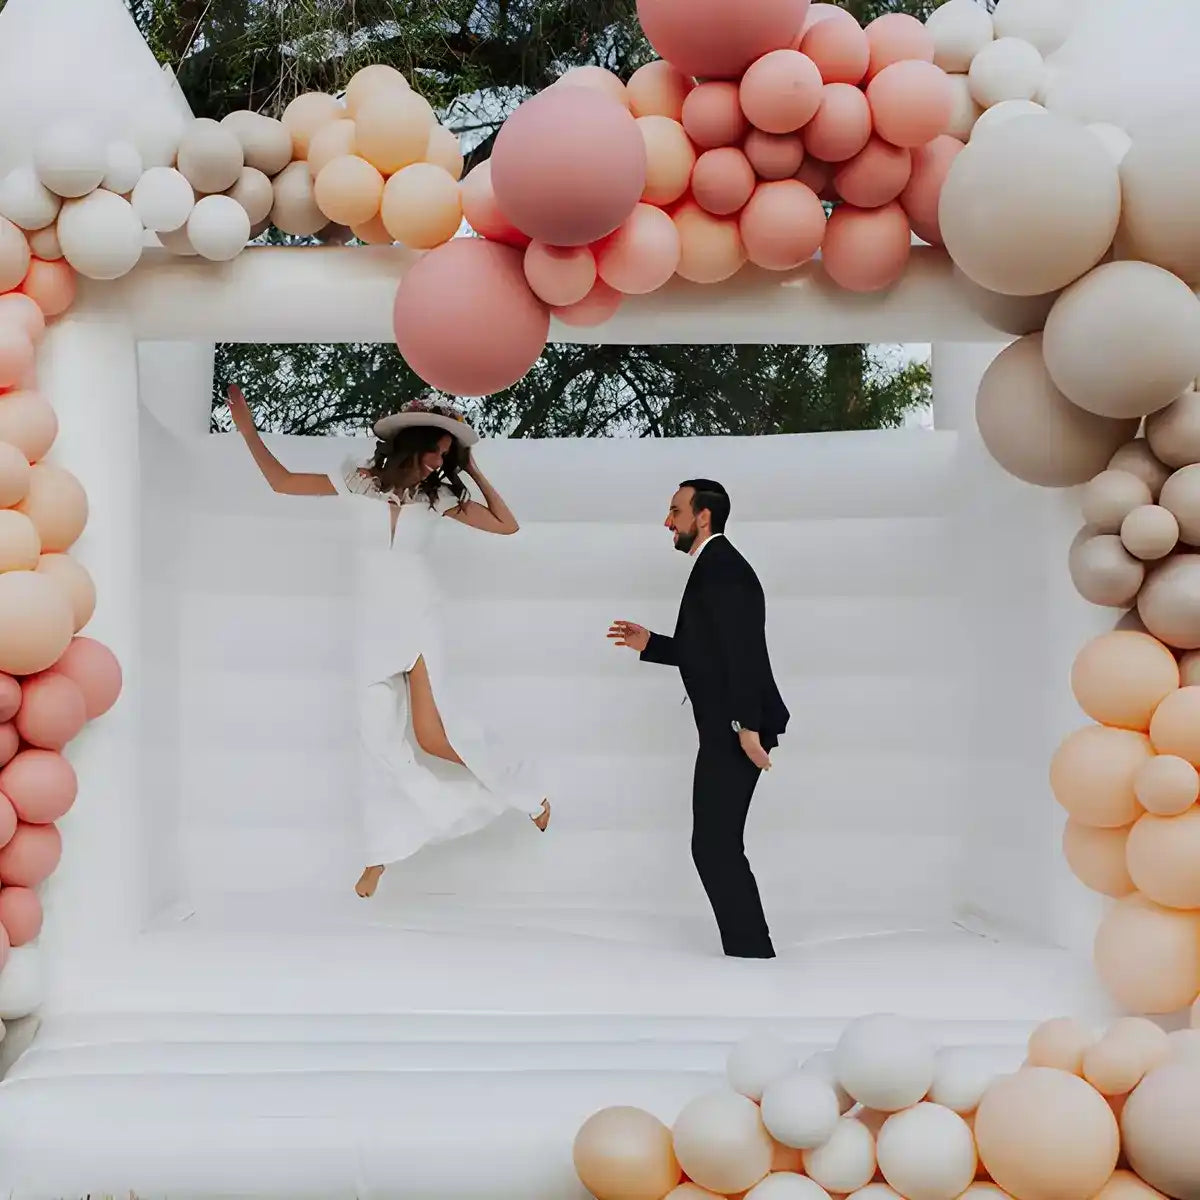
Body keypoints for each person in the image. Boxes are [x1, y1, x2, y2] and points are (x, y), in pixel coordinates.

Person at [226, 384, 550, 899]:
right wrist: (247, 430)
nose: (438, 461)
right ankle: (381, 851)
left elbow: (506, 526)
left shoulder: (439, 498)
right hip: (370, 626)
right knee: (377, 744)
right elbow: (282, 481)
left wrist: (471, 469)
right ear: (411, 444)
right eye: (436, 451)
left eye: (446, 455)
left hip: (419, 619)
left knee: (434, 736)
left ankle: (528, 795)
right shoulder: (358, 481)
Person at [608, 480, 787, 959]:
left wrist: (748, 729)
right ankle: (750, 951)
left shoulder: (723, 568)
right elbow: (708, 651)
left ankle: (752, 953)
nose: (668, 521)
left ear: (702, 516)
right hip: (729, 729)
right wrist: (651, 644)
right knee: (714, 844)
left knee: (714, 845)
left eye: (675, 511)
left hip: (735, 730)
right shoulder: (714, 565)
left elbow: (744, 654)